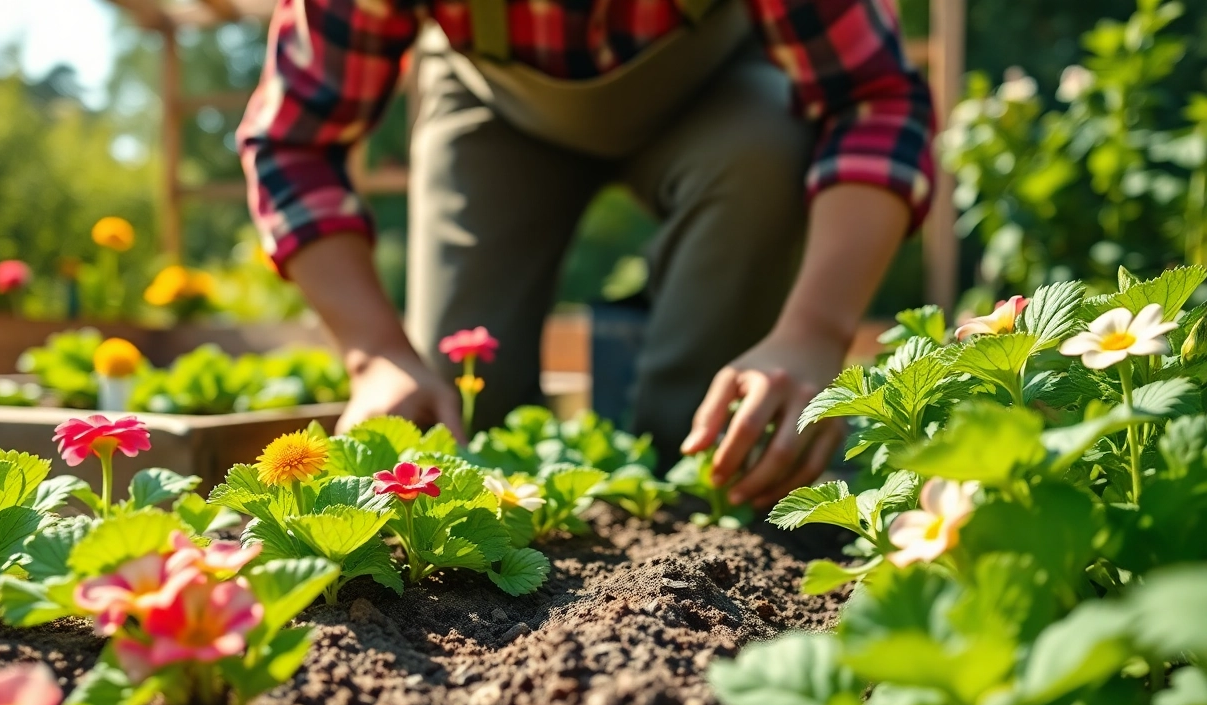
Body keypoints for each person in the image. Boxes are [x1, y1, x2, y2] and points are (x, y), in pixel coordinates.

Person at [238, 0, 935, 508]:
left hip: (722, 93)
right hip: (495, 102)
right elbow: (293, 139)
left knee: (725, 440)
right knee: (464, 413)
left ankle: (698, 496)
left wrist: (814, 332)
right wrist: (374, 355)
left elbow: (876, 97)